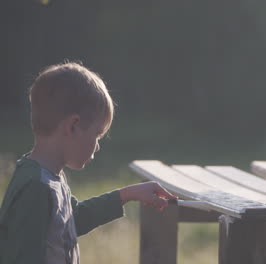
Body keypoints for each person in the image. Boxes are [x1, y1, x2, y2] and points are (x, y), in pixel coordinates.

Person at [0, 62, 178, 264]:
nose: (97, 146)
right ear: (73, 126)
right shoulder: (36, 187)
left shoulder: (49, 177)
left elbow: (72, 220)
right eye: (97, 135)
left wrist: (128, 194)